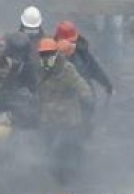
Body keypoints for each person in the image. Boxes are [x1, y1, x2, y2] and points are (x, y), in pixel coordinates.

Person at [35, 38, 94, 183]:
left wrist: (86, 96)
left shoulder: (67, 69)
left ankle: (74, 175)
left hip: (68, 118)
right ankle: (55, 177)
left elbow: (80, 84)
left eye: (49, 54)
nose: (46, 57)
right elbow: (34, 88)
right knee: (49, 149)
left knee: (69, 147)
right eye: (43, 54)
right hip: (48, 118)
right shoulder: (38, 69)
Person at [54, 21, 113, 98]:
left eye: (72, 41)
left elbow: (94, 69)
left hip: (84, 97)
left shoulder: (82, 52)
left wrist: (106, 84)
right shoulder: (51, 54)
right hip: (61, 100)